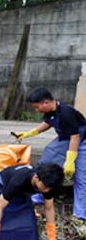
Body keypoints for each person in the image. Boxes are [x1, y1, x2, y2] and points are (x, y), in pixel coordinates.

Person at [16, 87, 86, 219]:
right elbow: (47, 123)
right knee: (47, 158)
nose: (37, 110)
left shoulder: (66, 113)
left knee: (81, 177)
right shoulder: (51, 111)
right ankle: (38, 193)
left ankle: (81, 214)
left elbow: (75, 137)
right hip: (66, 139)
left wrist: (70, 161)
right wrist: (29, 134)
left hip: (81, 141)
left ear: (46, 102)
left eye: (37, 107)